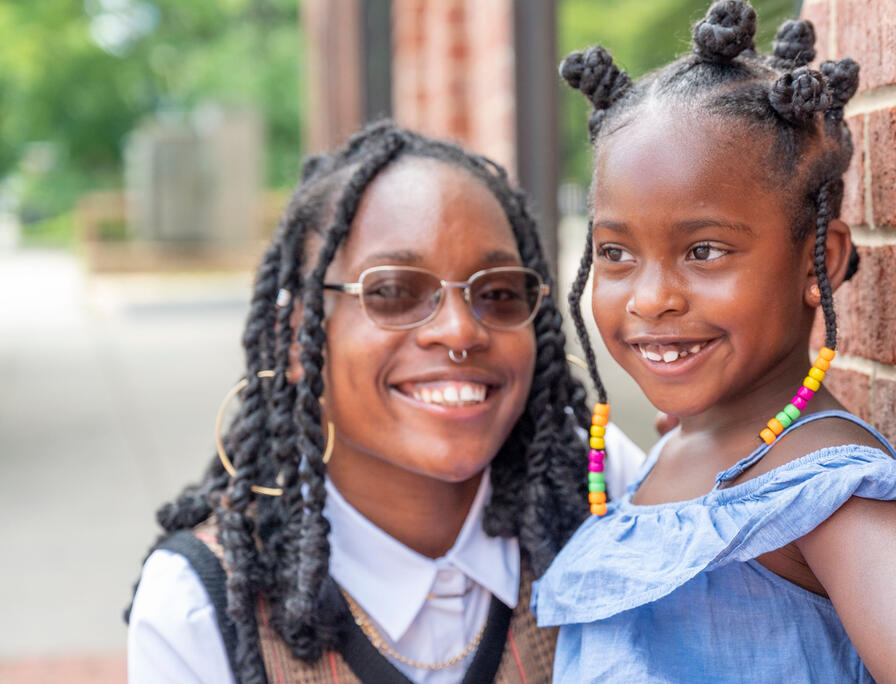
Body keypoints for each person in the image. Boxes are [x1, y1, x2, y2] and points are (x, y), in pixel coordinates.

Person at [533, 2, 896, 682]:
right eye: (614, 253)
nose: (650, 297)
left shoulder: (831, 491)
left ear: (820, 261)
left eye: (704, 249)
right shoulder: (680, 447)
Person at [126, 122, 644, 684]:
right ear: (299, 336)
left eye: (496, 293)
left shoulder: (603, 493)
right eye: (394, 291)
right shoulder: (200, 606)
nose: (458, 331)